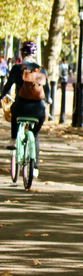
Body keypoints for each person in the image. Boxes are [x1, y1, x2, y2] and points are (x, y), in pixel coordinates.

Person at [0, 41, 50, 178]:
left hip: (21, 107)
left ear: (22, 54)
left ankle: (13, 139)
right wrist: (49, 100)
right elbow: (47, 90)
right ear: (35, 54)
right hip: (38, 110)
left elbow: (8, 85)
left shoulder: (17, 68)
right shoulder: (41, 69)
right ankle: (35, 169)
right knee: (35, 135)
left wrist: (2, 96)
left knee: (14, 113)